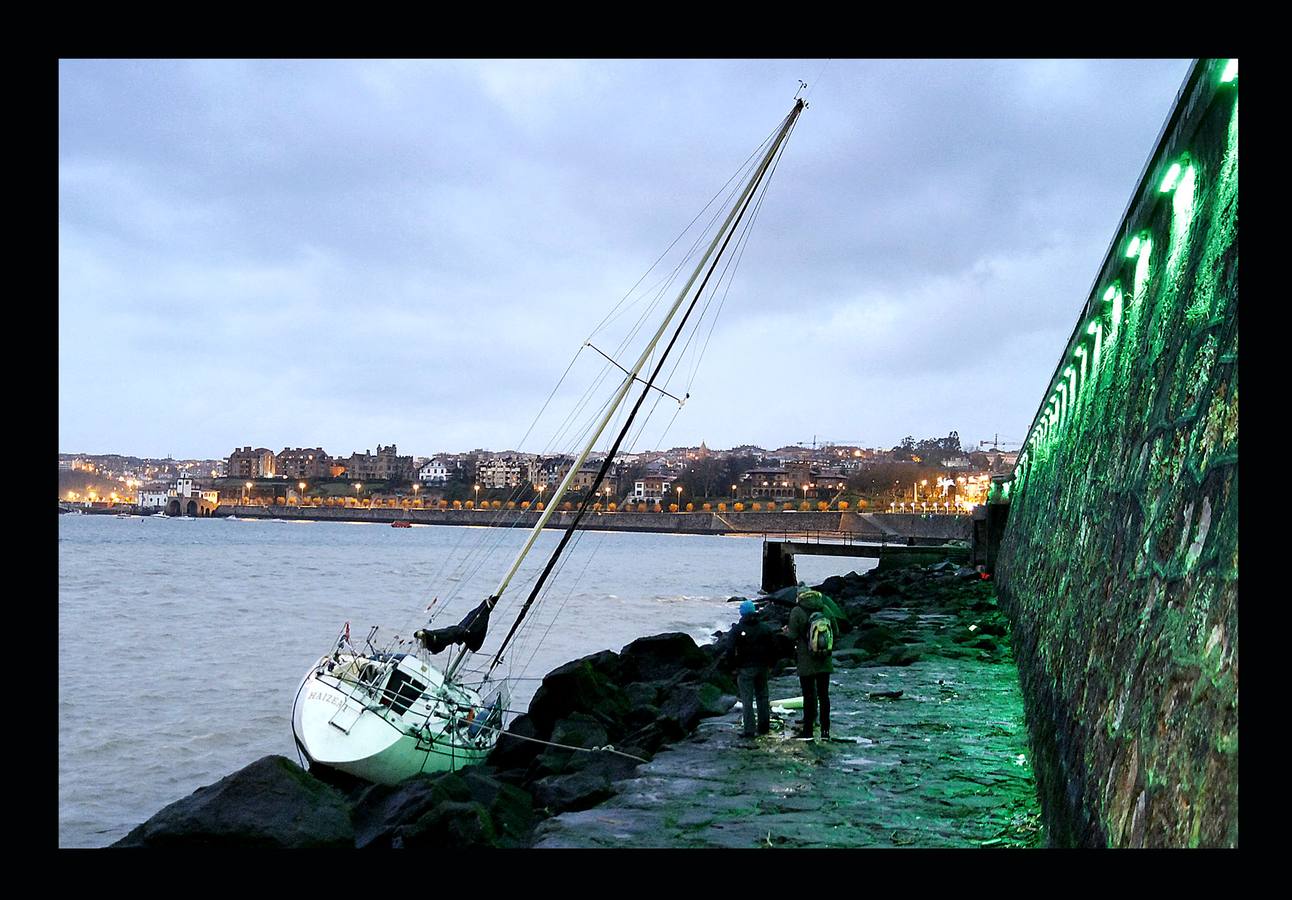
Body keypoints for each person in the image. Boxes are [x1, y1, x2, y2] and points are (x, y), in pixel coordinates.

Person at [786, 588, 835, 741]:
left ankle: (808, 731)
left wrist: (786, 632)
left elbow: (792, 635)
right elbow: (836, 631)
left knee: (808, 696)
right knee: (824, 695)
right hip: (824, 659)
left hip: (806, 660)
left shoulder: (797, 611)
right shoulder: (825, 608)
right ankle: (825, 730)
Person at [730, 599, 775, 738]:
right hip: (762, 666)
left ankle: (749, 730)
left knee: (747, 699)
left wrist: (733, 666)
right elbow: (773, 647)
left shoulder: (737, 629)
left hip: (745, 668)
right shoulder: (764, 628)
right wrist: (771, 664)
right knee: (762, 696)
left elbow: (730, 649)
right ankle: (764, 726)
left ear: (742, 613)